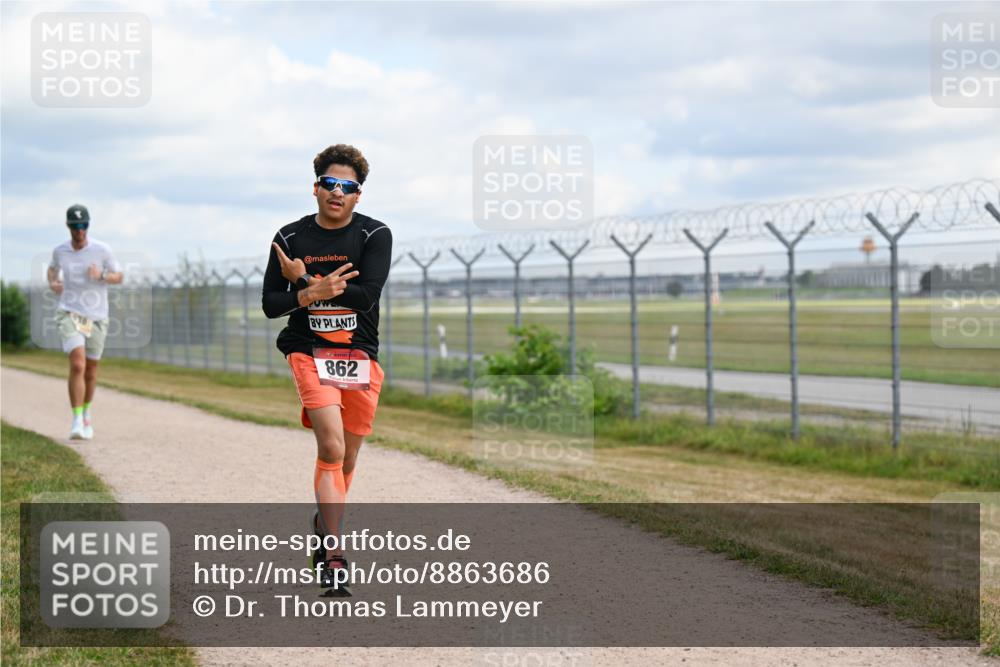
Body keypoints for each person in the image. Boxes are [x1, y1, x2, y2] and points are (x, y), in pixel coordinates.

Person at [262, 144, 392, 596]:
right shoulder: (289, 239)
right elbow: (269, 306)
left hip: (359, 355)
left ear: (358, 196)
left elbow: (366, 295)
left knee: (349, 457)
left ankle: (323, 526)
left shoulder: (375, 235)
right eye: (330, 184)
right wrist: (308, 292)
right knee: (331, 447)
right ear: (315, 187)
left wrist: (305, 283)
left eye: (348, 187)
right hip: (308, 351)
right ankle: (335, 555)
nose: (338, 193)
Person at [47, 204, 123, 440]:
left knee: (91, 370)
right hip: (70, 312)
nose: (80, 230)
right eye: (76, 226)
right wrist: (54, 283)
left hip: (97, 316)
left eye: (84, 225)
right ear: (68, 226)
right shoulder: (60, 251)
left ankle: (87, 412)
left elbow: (119, 276)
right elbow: (52, 270)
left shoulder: (102, 250)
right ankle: (77, 419)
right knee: (78, 364)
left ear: (88, 226)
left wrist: (100, 275)